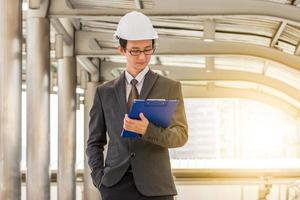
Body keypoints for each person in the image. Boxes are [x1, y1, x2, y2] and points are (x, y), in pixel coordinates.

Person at [86, 11, 188, 200]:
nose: (142, 57)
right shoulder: (104, 92)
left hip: (157, 188)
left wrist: (147, 130)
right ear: (122, 50)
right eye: (135, 50)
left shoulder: (170, 87)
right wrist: (99, 178)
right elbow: (94, 142)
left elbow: (180, 136)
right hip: (115, 186)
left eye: (148, 49)